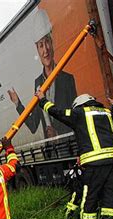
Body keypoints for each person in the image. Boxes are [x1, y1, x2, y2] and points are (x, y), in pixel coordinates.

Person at [36, 91, 113, 219]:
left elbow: (57, 112)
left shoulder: (79, 113)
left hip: (95, 163)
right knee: (109, 194)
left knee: (90, 195)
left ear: (78, 104)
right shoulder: (107, 112)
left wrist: (42, 100)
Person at [8, 7, 77, 138]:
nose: (45, 50)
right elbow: (33, 125)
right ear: (37, 50)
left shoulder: (67, 80)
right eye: (40, 45)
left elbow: (75, 118)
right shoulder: (38, 83)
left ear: (52, 42)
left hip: (71, 146)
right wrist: (18, 104)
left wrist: (59, 133)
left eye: (47, 42)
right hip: (52, 152)